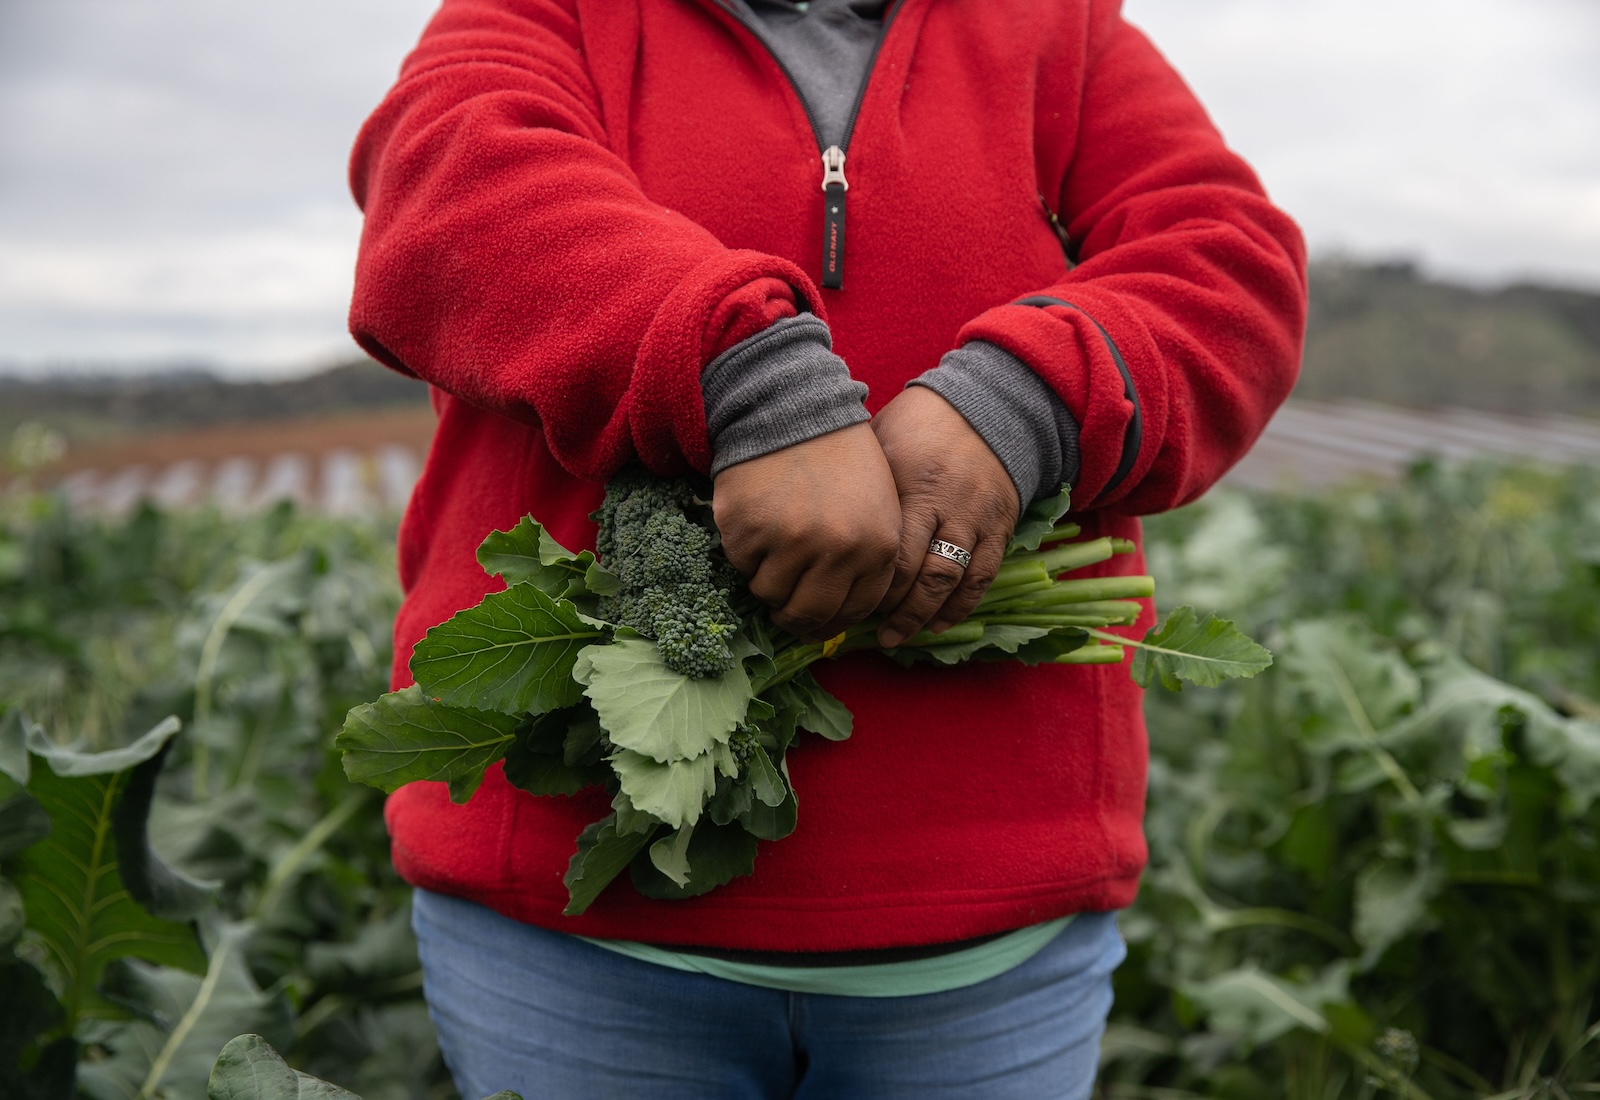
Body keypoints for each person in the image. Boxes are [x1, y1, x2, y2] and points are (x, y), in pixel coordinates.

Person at [347, 0, 1306, 1095]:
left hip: (990, 947)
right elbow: (443, 177)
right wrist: (752, 380)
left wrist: (1022, 399)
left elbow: (1228, 259)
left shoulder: (1058, 29)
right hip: (575, 942)